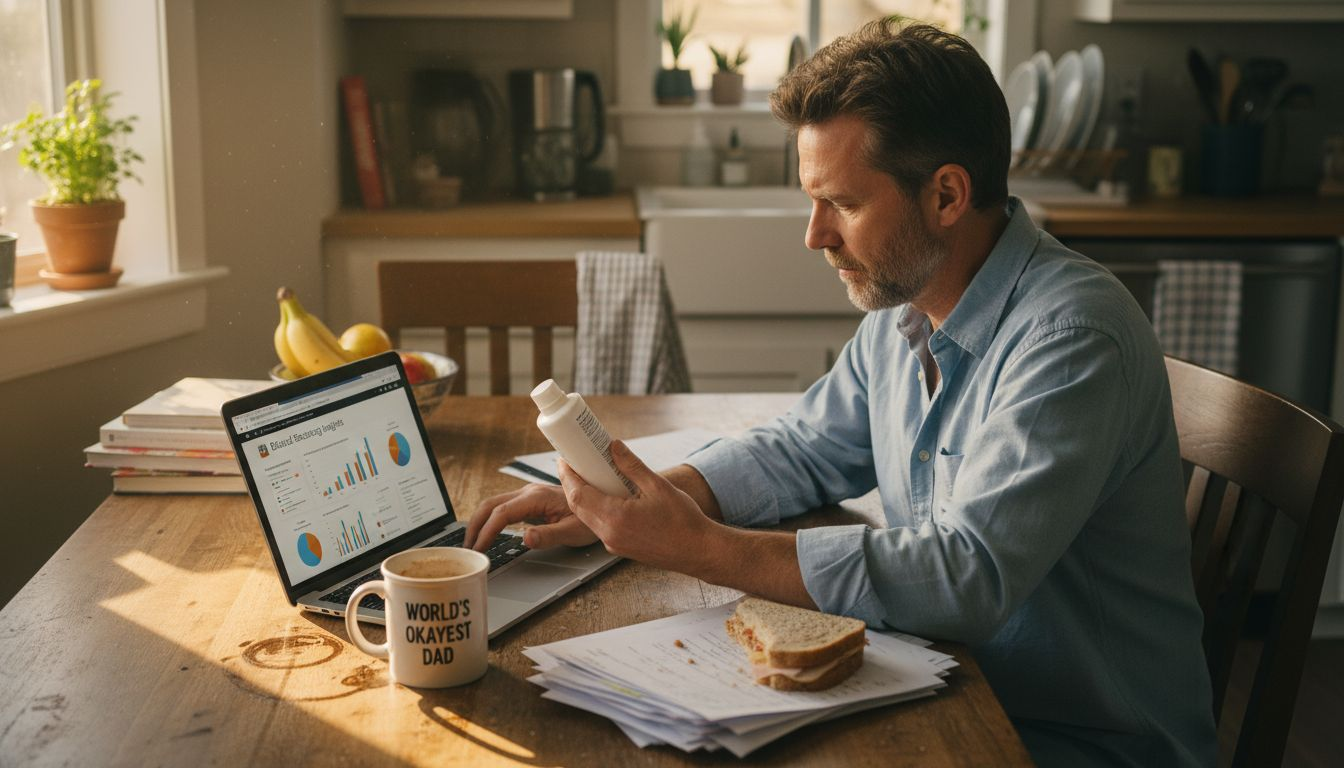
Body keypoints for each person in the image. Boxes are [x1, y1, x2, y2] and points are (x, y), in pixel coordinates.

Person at [467, 20, 1216, 767]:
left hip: (1077, 742)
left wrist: (698, 547)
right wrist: (642, 496)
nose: (815, 234)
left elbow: (966, 577)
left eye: (844, 204)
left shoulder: (1070, 337)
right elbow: (802, 448)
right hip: (958, 688)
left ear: (947, 195)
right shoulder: (912, 307)